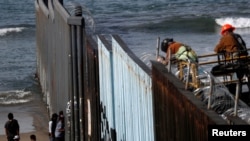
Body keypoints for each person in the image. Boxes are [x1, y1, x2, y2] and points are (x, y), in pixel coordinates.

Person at [213, 24, 250, 94]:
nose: (223, 34)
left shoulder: (226, 37)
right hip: (245, 59)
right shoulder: (237, 36)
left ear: (225, 31)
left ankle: (236, 97)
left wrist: (224, 50)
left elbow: (216, 49)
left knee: (235, 81)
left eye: (223, 33)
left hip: (235, 61)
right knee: (244, 77)